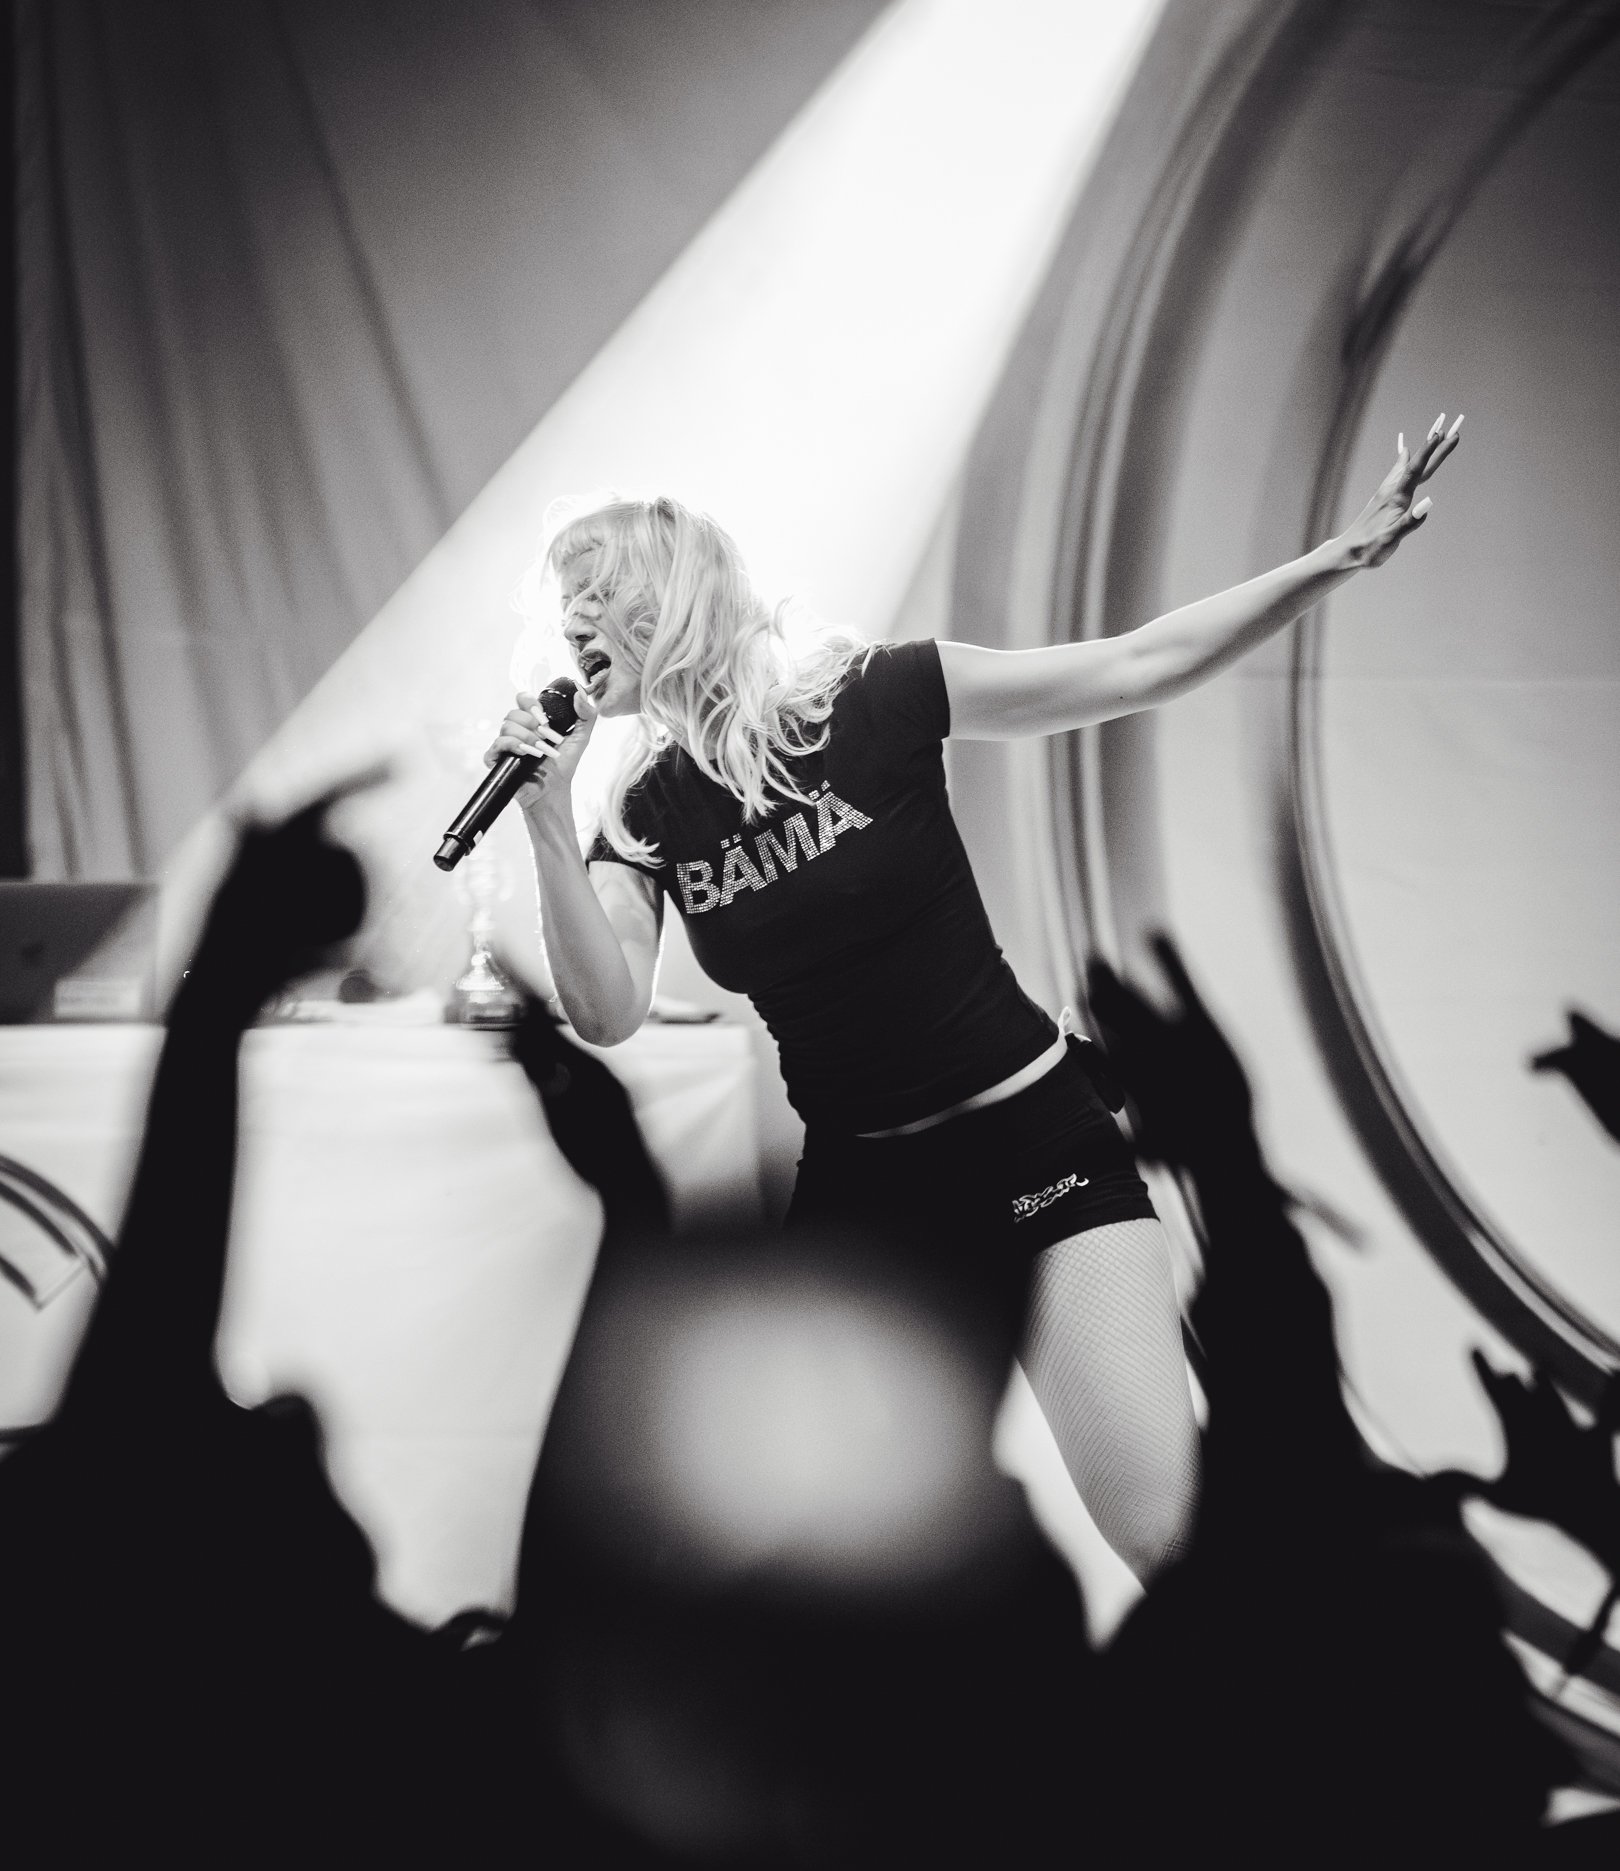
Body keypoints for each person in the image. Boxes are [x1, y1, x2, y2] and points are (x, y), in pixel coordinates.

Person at [486, 416, 1463, 1579]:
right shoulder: (643, 813)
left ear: (668, 596)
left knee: (1164, 1537)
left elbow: (1134, 666)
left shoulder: (880, 698)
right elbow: (605, 1012)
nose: (571, 625)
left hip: (1031, 1143)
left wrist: (1337, 558)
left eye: (593, 595)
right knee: (827, 1564)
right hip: (866, 1193)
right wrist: (549, 820)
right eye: (563, 605)